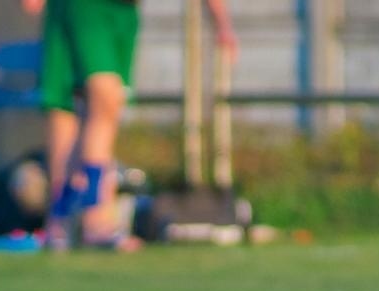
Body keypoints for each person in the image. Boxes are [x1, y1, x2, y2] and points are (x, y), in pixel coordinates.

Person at [23, 0, 239, 250]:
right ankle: (94, 216)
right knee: (95, 99)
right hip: (83, 7)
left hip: (124, 11)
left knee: (92, 107)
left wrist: (221, 22)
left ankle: (64, 214)